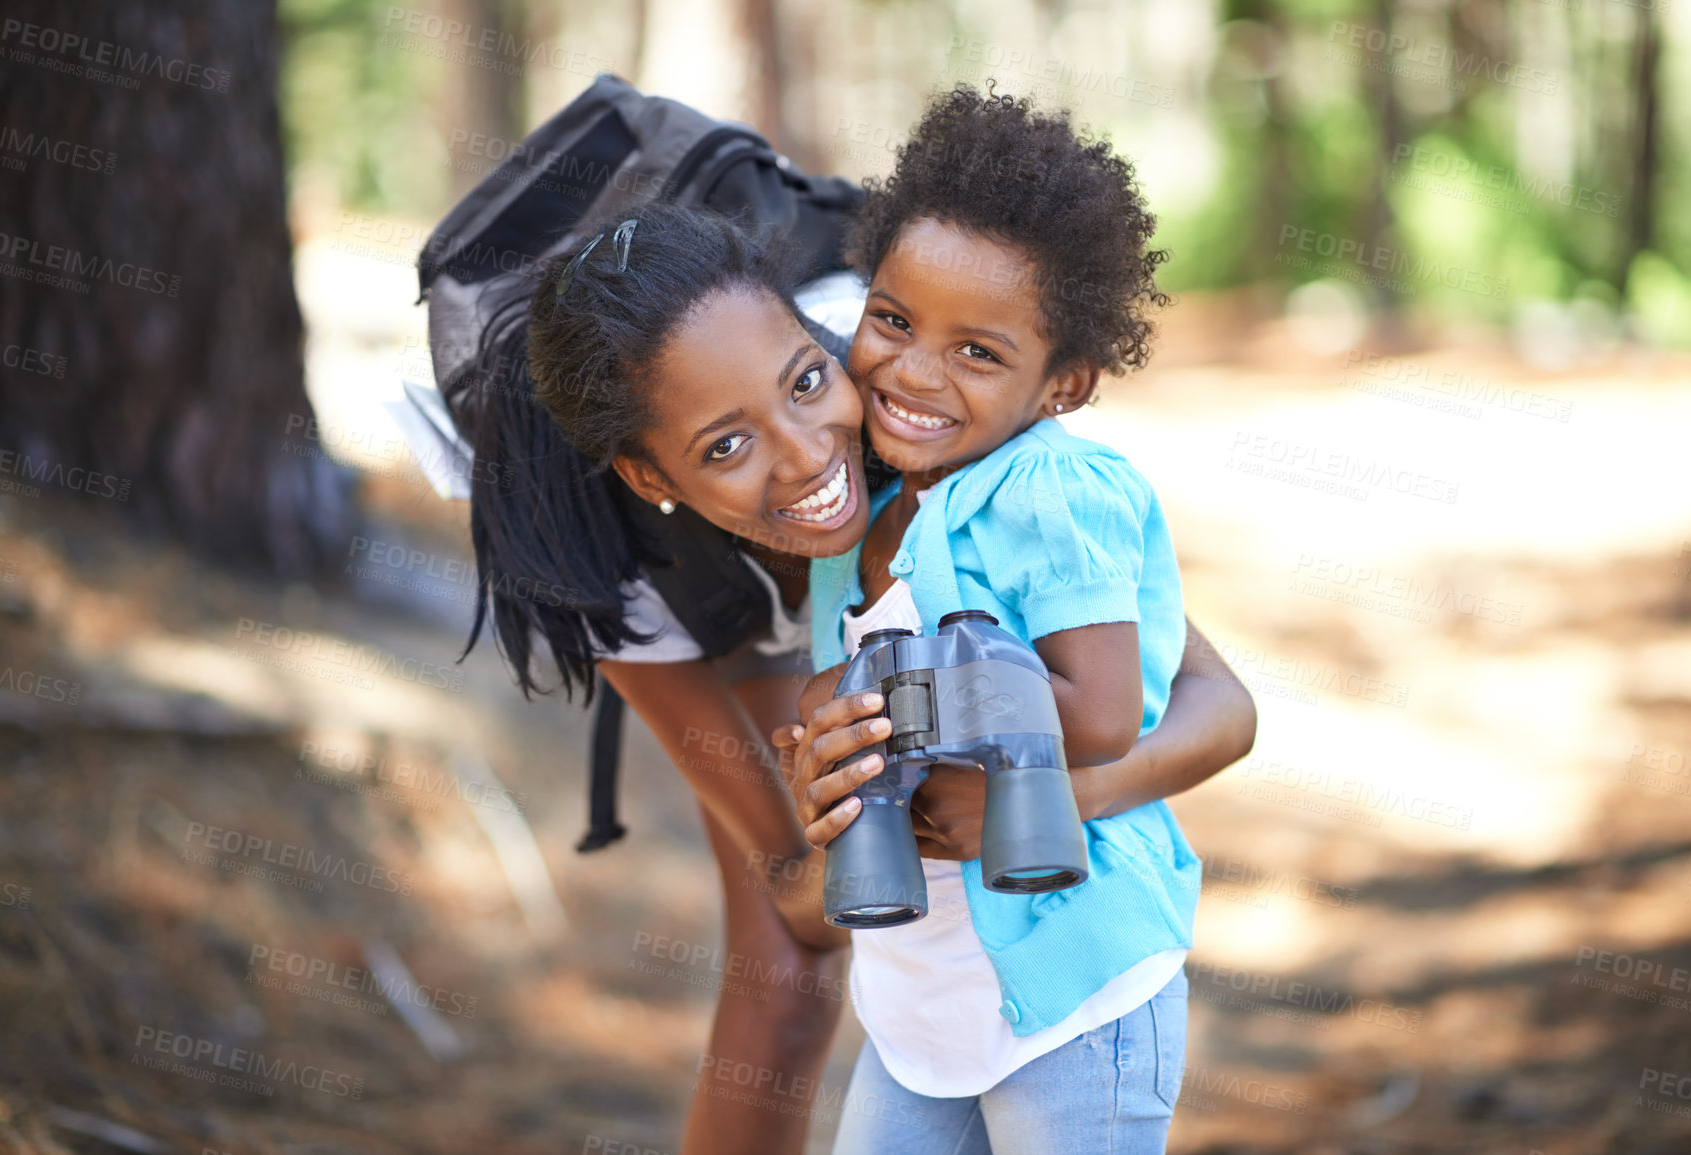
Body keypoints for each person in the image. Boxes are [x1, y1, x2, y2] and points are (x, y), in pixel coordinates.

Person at [458, 199, 1255, 1155]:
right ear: (652, 475)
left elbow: (1202, 703)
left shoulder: (914, 402)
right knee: (781, 974)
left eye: (804, 382)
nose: (804, 456)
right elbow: (798, 898)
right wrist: (830, 809)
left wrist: (1045, 795)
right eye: (725, 443)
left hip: (1072, 992)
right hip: (922, 1019)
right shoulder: (623, 579)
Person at [783, 86, 1219, 1153]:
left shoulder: (1049, 493)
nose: (914, 373)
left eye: (978, 353)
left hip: (1076, 999)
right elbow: (840, 683)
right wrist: (828, 738)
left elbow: (1107, 712)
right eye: (892, 321)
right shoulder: (868, 507)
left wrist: (940, 718)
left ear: (1064, 383)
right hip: (920, 1005)